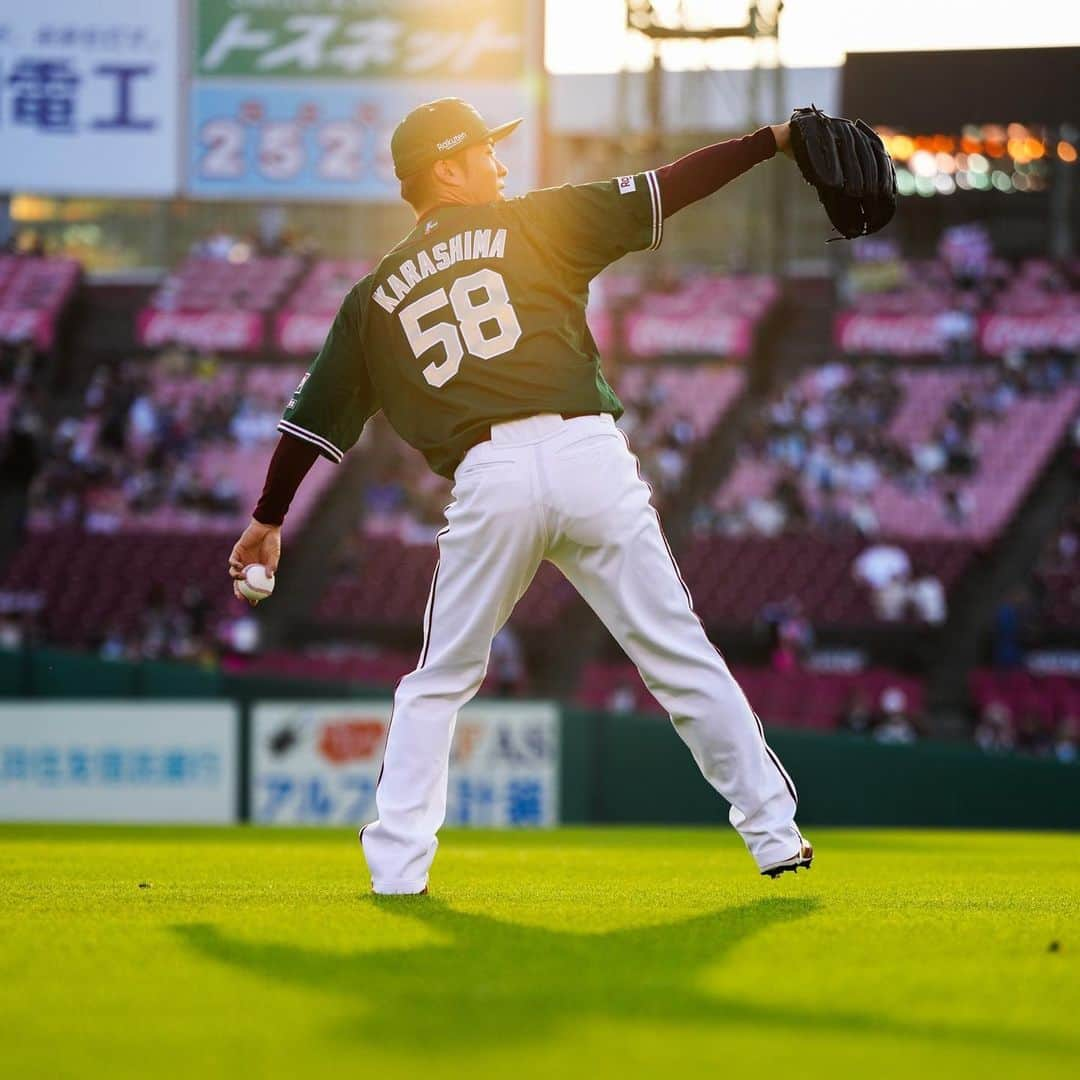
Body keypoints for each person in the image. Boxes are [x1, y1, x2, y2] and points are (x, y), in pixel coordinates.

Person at [228, 98, 811, 893]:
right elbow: (668, 186)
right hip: (588, 457)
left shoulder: (372, 297)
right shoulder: (532, 222)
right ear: (447, 167)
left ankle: (397, 870)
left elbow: (311, 427)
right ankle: (774, 836)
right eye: (485, 152)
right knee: (679, 655)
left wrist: (267, 518)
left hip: (489, 476)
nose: (500, 165)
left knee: (438, 681)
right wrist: (770, 142)